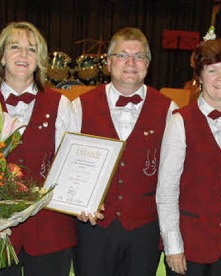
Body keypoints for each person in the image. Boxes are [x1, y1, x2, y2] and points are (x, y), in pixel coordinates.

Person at [0, 22, 76, 275]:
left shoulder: (62, 105)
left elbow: (72, 166)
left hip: (49, 230)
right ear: (1, 57)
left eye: (32, 49)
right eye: (15, 47)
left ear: (40, 60)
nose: (23, 55)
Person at [71, 27, 179, 276]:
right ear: (108, 63)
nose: (131, 62)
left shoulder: (170, 110)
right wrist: (77, 202)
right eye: (122, 55)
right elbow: (69, 166)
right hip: (93, 228)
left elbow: (173, 175)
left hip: (145, 230)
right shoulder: (79, 106)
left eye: (139, 56)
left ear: (148, 65)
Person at [157, 38, 221, 276]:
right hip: (190, 247)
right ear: (199, 76)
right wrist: (173, 246)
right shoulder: (180, 120)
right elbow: (167, 189)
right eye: (212, 70)